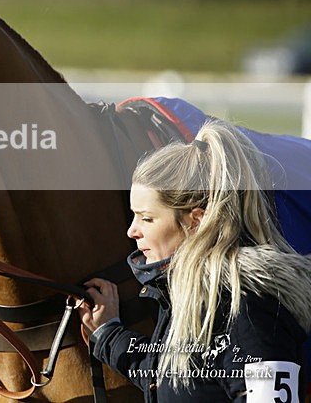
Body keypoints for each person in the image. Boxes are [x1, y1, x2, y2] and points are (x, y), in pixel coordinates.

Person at [78, 119, 311, 402]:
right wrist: (108, 332)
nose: (132, 231)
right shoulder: (187, 292)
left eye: (147, 218)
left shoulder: (249, 309)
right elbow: (168, 377)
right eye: (133, 215)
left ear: (195, 222)